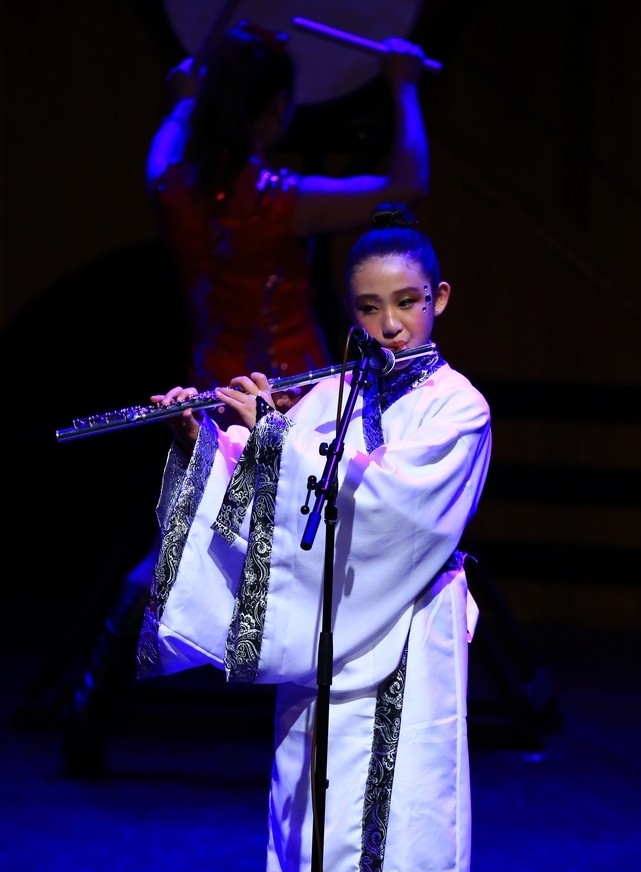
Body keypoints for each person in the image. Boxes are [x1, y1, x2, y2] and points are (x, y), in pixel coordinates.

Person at [136, 203, 492, 872]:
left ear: (440, 298)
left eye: (407, 302)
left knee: (395, 867)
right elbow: (278, 516)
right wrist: (206, 443)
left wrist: (273, 441)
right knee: (306, 861)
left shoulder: (460, 410)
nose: (389, 325)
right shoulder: (329, 397)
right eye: (370, 307)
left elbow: (390, 518)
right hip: (324, 668)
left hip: (406, 658)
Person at [61, 21, 432, 776]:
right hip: (289, 403)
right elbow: (406, 182)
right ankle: (339, 724)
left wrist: (182, 98)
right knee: (323, 550)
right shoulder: (282, 203)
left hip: (208, 398)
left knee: (178, 552)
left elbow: (165, 144)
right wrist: (402, 87)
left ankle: (88, 707)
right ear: (272, 111)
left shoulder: (174, 186)